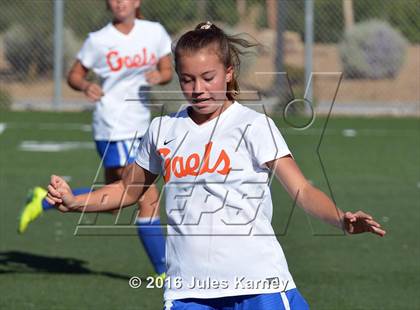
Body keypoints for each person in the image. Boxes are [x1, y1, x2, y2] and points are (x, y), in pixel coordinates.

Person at [45, 22, 386, 310]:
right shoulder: (162, 130)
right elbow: (127, 190)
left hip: (258, 284)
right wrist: (76, 202)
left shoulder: (253, 126)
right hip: (188, 292)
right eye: (187, 80)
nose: (198, 89)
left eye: (208, 77)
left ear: (228, 72)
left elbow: (302, 189)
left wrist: (340, 218)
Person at [18, 0, 172, 278]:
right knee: (145, 197)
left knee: (115, 201)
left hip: (141, 124)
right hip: (114, 125)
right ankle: (164, 272)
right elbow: (74, 75)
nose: (119, 3)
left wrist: (159, 76)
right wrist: (86, 85)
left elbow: (167, 71)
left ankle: (44, 199)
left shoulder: (155, 32)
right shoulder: (98, 40)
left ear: (137, 2)